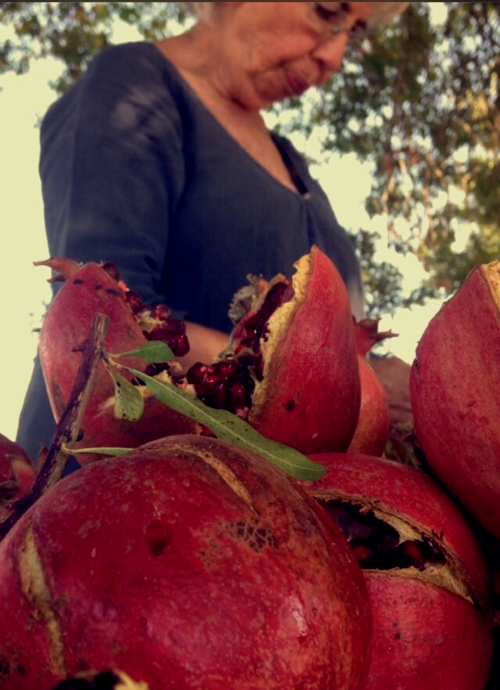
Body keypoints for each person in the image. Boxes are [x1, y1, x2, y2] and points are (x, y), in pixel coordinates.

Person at [17, 1, 410, 463]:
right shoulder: (132, 86)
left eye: (355, 31)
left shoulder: (295, 164)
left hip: (270, 507)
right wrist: (348, 381)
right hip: (119, 501)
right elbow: (105, 320)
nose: (335, 58)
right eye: (327, 12)